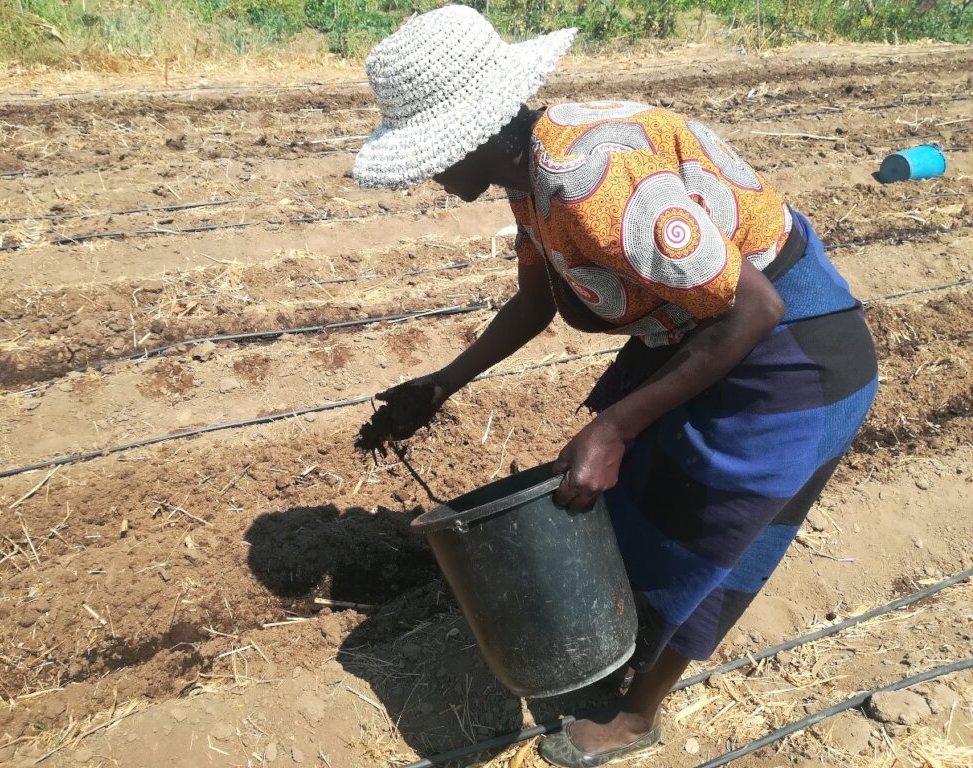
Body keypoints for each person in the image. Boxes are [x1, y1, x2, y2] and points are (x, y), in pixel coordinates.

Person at [352, 7, 878, 767]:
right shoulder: (529, 170)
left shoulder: (586, 180)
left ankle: (636, 716)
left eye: (432, 156)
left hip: (793, 357)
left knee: (704, 541)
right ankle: (618, 656)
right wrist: (439, 386)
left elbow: (756, 307)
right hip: (710, 337)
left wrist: (615, 428)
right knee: (635, 514)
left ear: (473, 132)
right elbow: (536, 303)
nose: (432, 176)